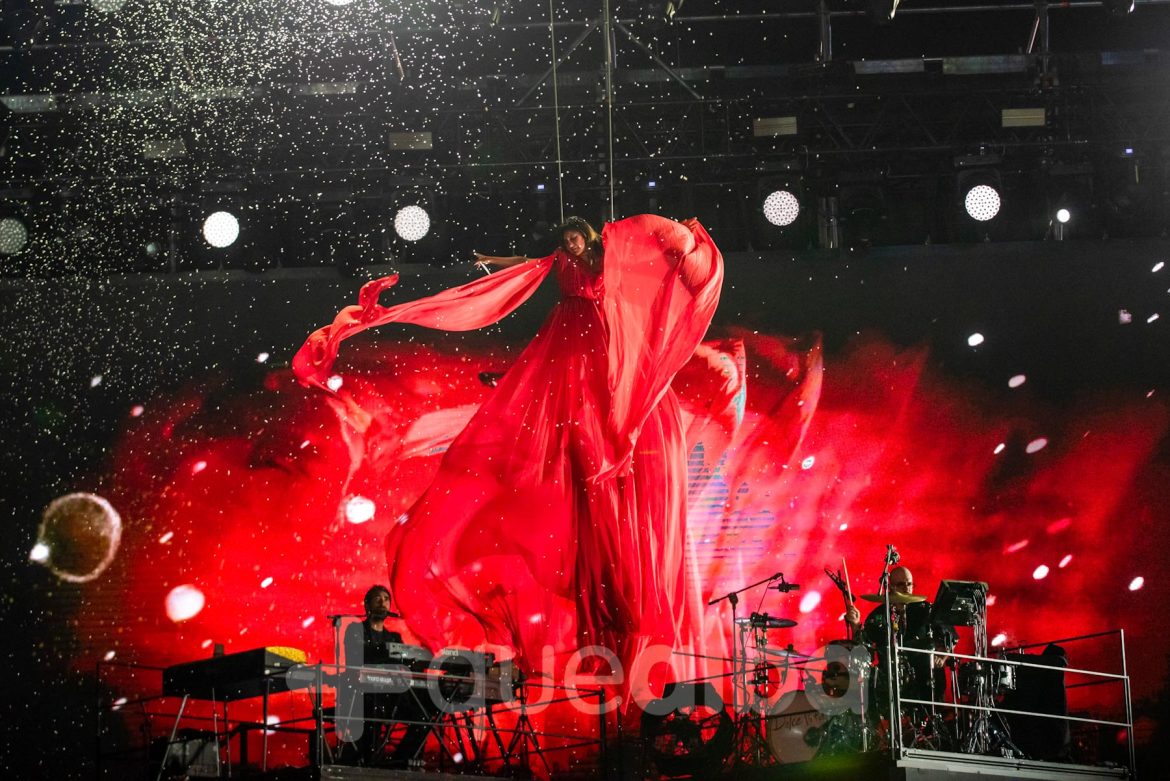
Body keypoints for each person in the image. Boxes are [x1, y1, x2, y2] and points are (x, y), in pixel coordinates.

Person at [294, 214, 723, 688]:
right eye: (566, 240)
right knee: (550, 406)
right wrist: (487, 260)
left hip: (595, 337)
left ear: (590, 237)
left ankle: (606, 441)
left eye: (576, 237)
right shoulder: (563, 260)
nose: (571, 245)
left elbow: (639, 272)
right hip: (566, 337)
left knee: (595, 407)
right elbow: (524, 265)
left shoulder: (607, 260)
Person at [844, 566, 955, 721]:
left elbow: (951, 638)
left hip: (925, 681)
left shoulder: (926, 611)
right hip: (890, 681)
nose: (907, 588)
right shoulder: (879, 616)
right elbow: (864, 650)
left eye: (909, 584)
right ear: (890, 587)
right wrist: (856, 625)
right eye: (901, 584)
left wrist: (941, 657)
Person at [340, 585, 433, 766]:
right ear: (367, 605)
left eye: (386, 599)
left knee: (424, 715)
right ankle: (368, 763)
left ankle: (401, 760)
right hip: (363, 694)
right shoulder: (355, 631)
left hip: (394, 696)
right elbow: (359, 657)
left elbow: (408, 665)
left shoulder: (395, 639)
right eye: (378, 599)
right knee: (373, 714)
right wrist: (387, 655)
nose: (383, 603)